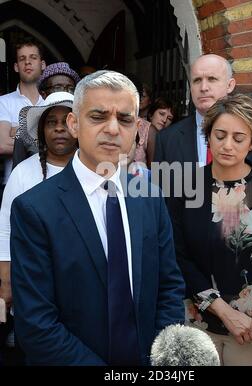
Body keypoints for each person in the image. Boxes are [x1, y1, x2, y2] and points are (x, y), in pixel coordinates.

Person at [10, 70, 185, 365]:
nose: (113, 129)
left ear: (137, 129)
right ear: (74, 124)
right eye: (98, 116)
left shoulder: (150, 198)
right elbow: (36, 325)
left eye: (125, 119)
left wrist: (158, 359)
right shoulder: (34, 209)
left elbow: (169, 287)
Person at [167, 94, 252, 366]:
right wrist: (223, 310)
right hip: (196, 323)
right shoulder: (183, 185)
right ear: (208, 135)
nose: (227, 145)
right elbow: (176, 256)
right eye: (220, 135)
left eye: (238, 138)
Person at [0, 92, 77, 350]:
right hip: (33, 287)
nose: (58, 128)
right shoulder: (23, 173)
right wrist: (7, 283)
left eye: (65, 120)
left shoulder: (92, 171)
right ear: (41, 129)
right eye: (50, 122)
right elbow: (5, 230)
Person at [154, 54, 252, 171]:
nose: (203, 88)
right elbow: (162, 191)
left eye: (212, 79)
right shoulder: (166, 139)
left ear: (230, 85)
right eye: (197, 80)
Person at [0, 37, 46, 201]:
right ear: (15, 66)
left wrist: (18, 131)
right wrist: (43, 137)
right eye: (22, 59)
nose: (27, 62)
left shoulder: (50, 102)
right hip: (13, 184)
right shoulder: (3, 102)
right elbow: (2, 145)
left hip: (48, 182)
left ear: (42, 64)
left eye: (33, 57)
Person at [12, 62, 81, 168]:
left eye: (70, 88)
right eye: (57, 87)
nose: (64, 92)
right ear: (43, 94)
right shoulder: (23, 134)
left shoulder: (84, 128)